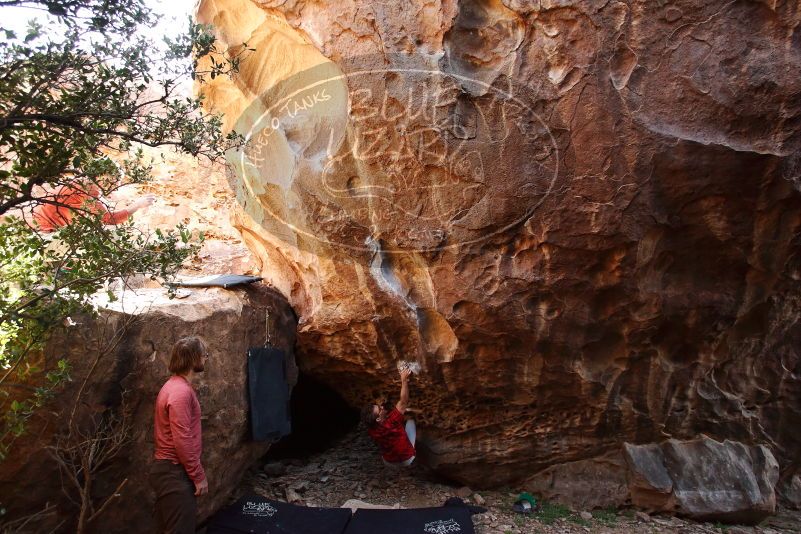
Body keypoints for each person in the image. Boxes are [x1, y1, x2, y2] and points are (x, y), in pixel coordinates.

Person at [149, 336, 209, 534]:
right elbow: (182, 438)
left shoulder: (174, 386)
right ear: (194, 359)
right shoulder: (180, 392)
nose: (206, 358)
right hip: (173, 471)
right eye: (203, 354)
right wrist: (198, 475)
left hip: (170, 470)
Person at [30, 182, 154, 232]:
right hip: (47, 230)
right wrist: (138, 204)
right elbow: (110, 219)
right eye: (114, 183)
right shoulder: (89, 188)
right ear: (104, 177)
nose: (113, 188)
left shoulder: (78, 183)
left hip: (39, 224)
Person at [361, 366, 417, 467]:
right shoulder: (392, 421)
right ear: (378, 419)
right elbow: (403, 401)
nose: (382, 406)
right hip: (407, 459)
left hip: (388, 462)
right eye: (380, 409)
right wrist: (404, 379)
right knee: (410, 421)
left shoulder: (371, 429)